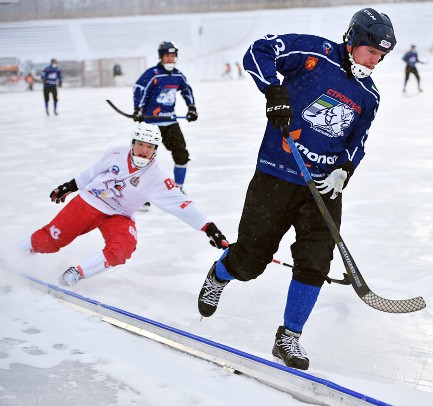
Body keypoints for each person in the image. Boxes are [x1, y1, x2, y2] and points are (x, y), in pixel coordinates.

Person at [197, 8, 397, 370]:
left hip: (321, 189)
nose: (376, 60)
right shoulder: (313, 53)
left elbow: (358, 140)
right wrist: (273, 91)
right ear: (352, 40)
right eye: (371, 51)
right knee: (251, 261)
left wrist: (344, 171)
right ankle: (220, 273)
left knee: (315, 263)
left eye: (381, 56)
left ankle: (288, 337)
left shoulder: (369, 94)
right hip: (275, 175)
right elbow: (259, 51)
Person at [20, 123, 228, 287]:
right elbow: (92, 172)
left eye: (149, 147)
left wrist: (209, 228)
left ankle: (76, 274)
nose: (144, 151)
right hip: (90, 202)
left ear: (155, 150)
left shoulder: (156, 176)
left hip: (119, 215)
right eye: (140, 144)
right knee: (49, 241)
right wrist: (69, 186)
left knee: (123, 248)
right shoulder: (116, 153)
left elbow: (181, 203)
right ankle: (13, 255)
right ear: (133, 143)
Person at [133, 41, 198, 200]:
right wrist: (138, 109)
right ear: (161, 57)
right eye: (167, 56)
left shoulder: (178, 75)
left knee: (181, 154)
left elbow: (186, 90)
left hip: (170, 122)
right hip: (151, 123)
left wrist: (191, 107)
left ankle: (178, 190)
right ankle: (140, 196)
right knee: (142, 158)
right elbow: (139, 89)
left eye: (172, 56)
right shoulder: (153, 74)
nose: (170, 59)